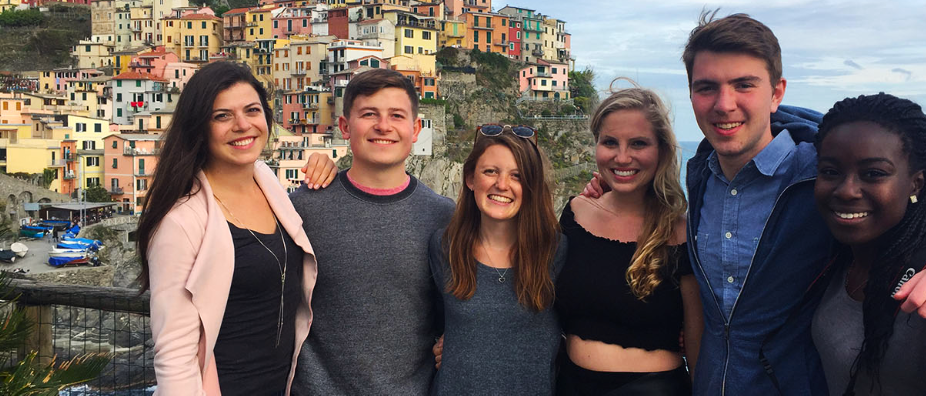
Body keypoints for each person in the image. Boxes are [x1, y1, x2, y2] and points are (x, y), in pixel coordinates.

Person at [585, 12, 926, 395]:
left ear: (777, 92)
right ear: (691, 94)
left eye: (744, 85)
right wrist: (620, 195)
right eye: (706, 87)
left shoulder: (826, 175)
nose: (724, 104)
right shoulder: (702, 172)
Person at [137, 62, 319, 395]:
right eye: (222, 116)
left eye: (252, 110)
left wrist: (328, 166)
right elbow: (174, 354)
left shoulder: (270, 185)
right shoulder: (180, 222)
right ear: (199, 129)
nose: (242, 125)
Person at [811, 93, 926, 395]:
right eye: (831, 171)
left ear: (916, 184)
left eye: (874, 174)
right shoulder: (843, 260)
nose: (847, 190)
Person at [290, 69, 455, 396]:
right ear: (344, 127)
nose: (384, 126)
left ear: (415, 128)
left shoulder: (443, 215)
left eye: (396, 115)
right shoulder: (301, 209)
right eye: (369, 114)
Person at [557, 87, 703, 395]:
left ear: (662, 151)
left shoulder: (681, 232)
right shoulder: (574, 213)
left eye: (638, 143)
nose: (622, 157)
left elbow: (698, 340)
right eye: (610, 142)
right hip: (570, 383)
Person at [428, 125, 565, 395]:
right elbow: (429, 319)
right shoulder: (444, 247)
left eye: (518, 176)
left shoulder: (556, 251)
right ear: (470, 178)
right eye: (490, 171)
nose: (502, 185)